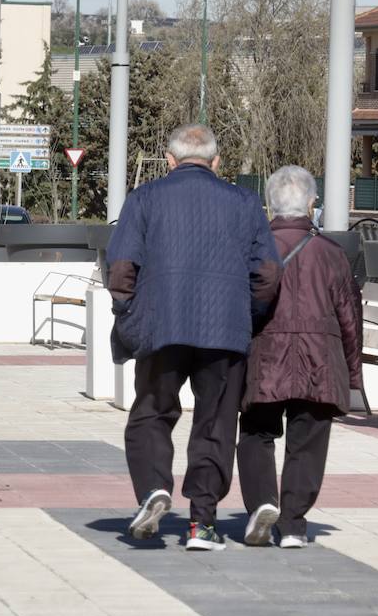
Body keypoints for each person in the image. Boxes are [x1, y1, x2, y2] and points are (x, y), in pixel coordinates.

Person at [107, 124, 281, 552]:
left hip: (161, 326)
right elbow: (269, 273)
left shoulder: (145, 198)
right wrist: (249, 314)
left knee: (151, 413)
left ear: (169, 160)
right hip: (224, 331)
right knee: (216, 424)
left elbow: (122, 267)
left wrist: (127, 313)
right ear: (216, 162)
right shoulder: (243, 201)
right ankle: (202, 524)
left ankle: (153, 489)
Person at [237, 165, 363, 549]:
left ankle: (262, 504)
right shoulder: (331, 253)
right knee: (307, 441)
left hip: (264, 358)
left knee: (257, 433)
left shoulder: (251, 249)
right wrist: (353, 376)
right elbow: (349, 317)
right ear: (312, 204)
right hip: (319, 361)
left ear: (268, 206)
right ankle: (292, 524)